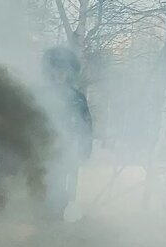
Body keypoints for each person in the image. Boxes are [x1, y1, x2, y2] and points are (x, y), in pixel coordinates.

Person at [41, 46, 92, 222]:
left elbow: (86, 125)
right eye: (57, 70)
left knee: (69, 186)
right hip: (45, 149)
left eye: (64, 70)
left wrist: (86, 148)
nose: (61, 74)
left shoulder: (77, 98)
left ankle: (63, 214)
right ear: (50, 71)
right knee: (49, 183)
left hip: (70, 148)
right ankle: (48, 216)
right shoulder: (40, 94)